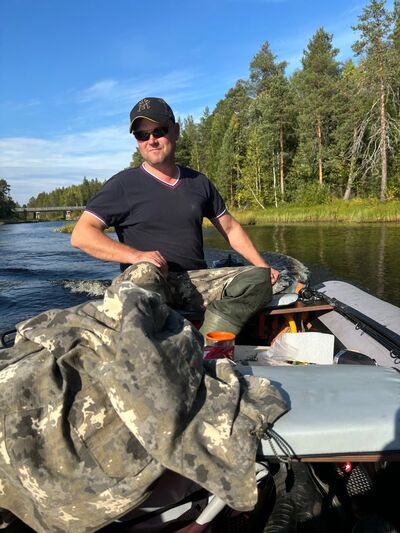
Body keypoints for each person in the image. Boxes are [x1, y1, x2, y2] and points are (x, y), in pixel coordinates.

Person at [71, 97, 280, 336]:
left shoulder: (199, 183)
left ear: (176, 131)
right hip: (149, 283)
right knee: (145, 271)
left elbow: (231, 229)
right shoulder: (122, 185)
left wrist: (263, 267)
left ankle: (207, 341)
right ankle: (152, 339)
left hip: (195, 282)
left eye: (159, 131)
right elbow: (81, 235)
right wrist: (136, 256)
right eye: (142, 135)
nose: (151, 140)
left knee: (258, 279)